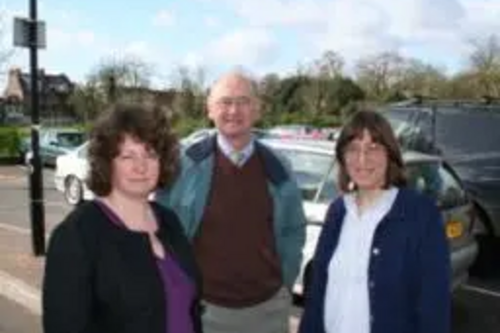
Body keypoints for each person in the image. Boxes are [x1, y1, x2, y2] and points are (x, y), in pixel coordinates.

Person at [156, 71, 306, 333]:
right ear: (210, 110)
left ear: (257, 109)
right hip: (202, 312)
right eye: (225, 102)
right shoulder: (183, 165)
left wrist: (283, 286)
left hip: (267, 314)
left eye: (243, 101)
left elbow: (294, 230)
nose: (234, 110)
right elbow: (161, 228)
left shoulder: (279, 168)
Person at [43, 103, 203, 333]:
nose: (141, 167)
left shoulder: (168, 220)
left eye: (150, 154)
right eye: (127, 156)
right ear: (107, 163)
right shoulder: (76, 236)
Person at [299, 110, 451, 333]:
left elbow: (434, 306)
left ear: (390, 154)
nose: (362, 159)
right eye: (353, 149)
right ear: (342, 157)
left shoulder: (420, 214)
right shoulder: (338, 211)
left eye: (373, 148)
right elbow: (317, 294)